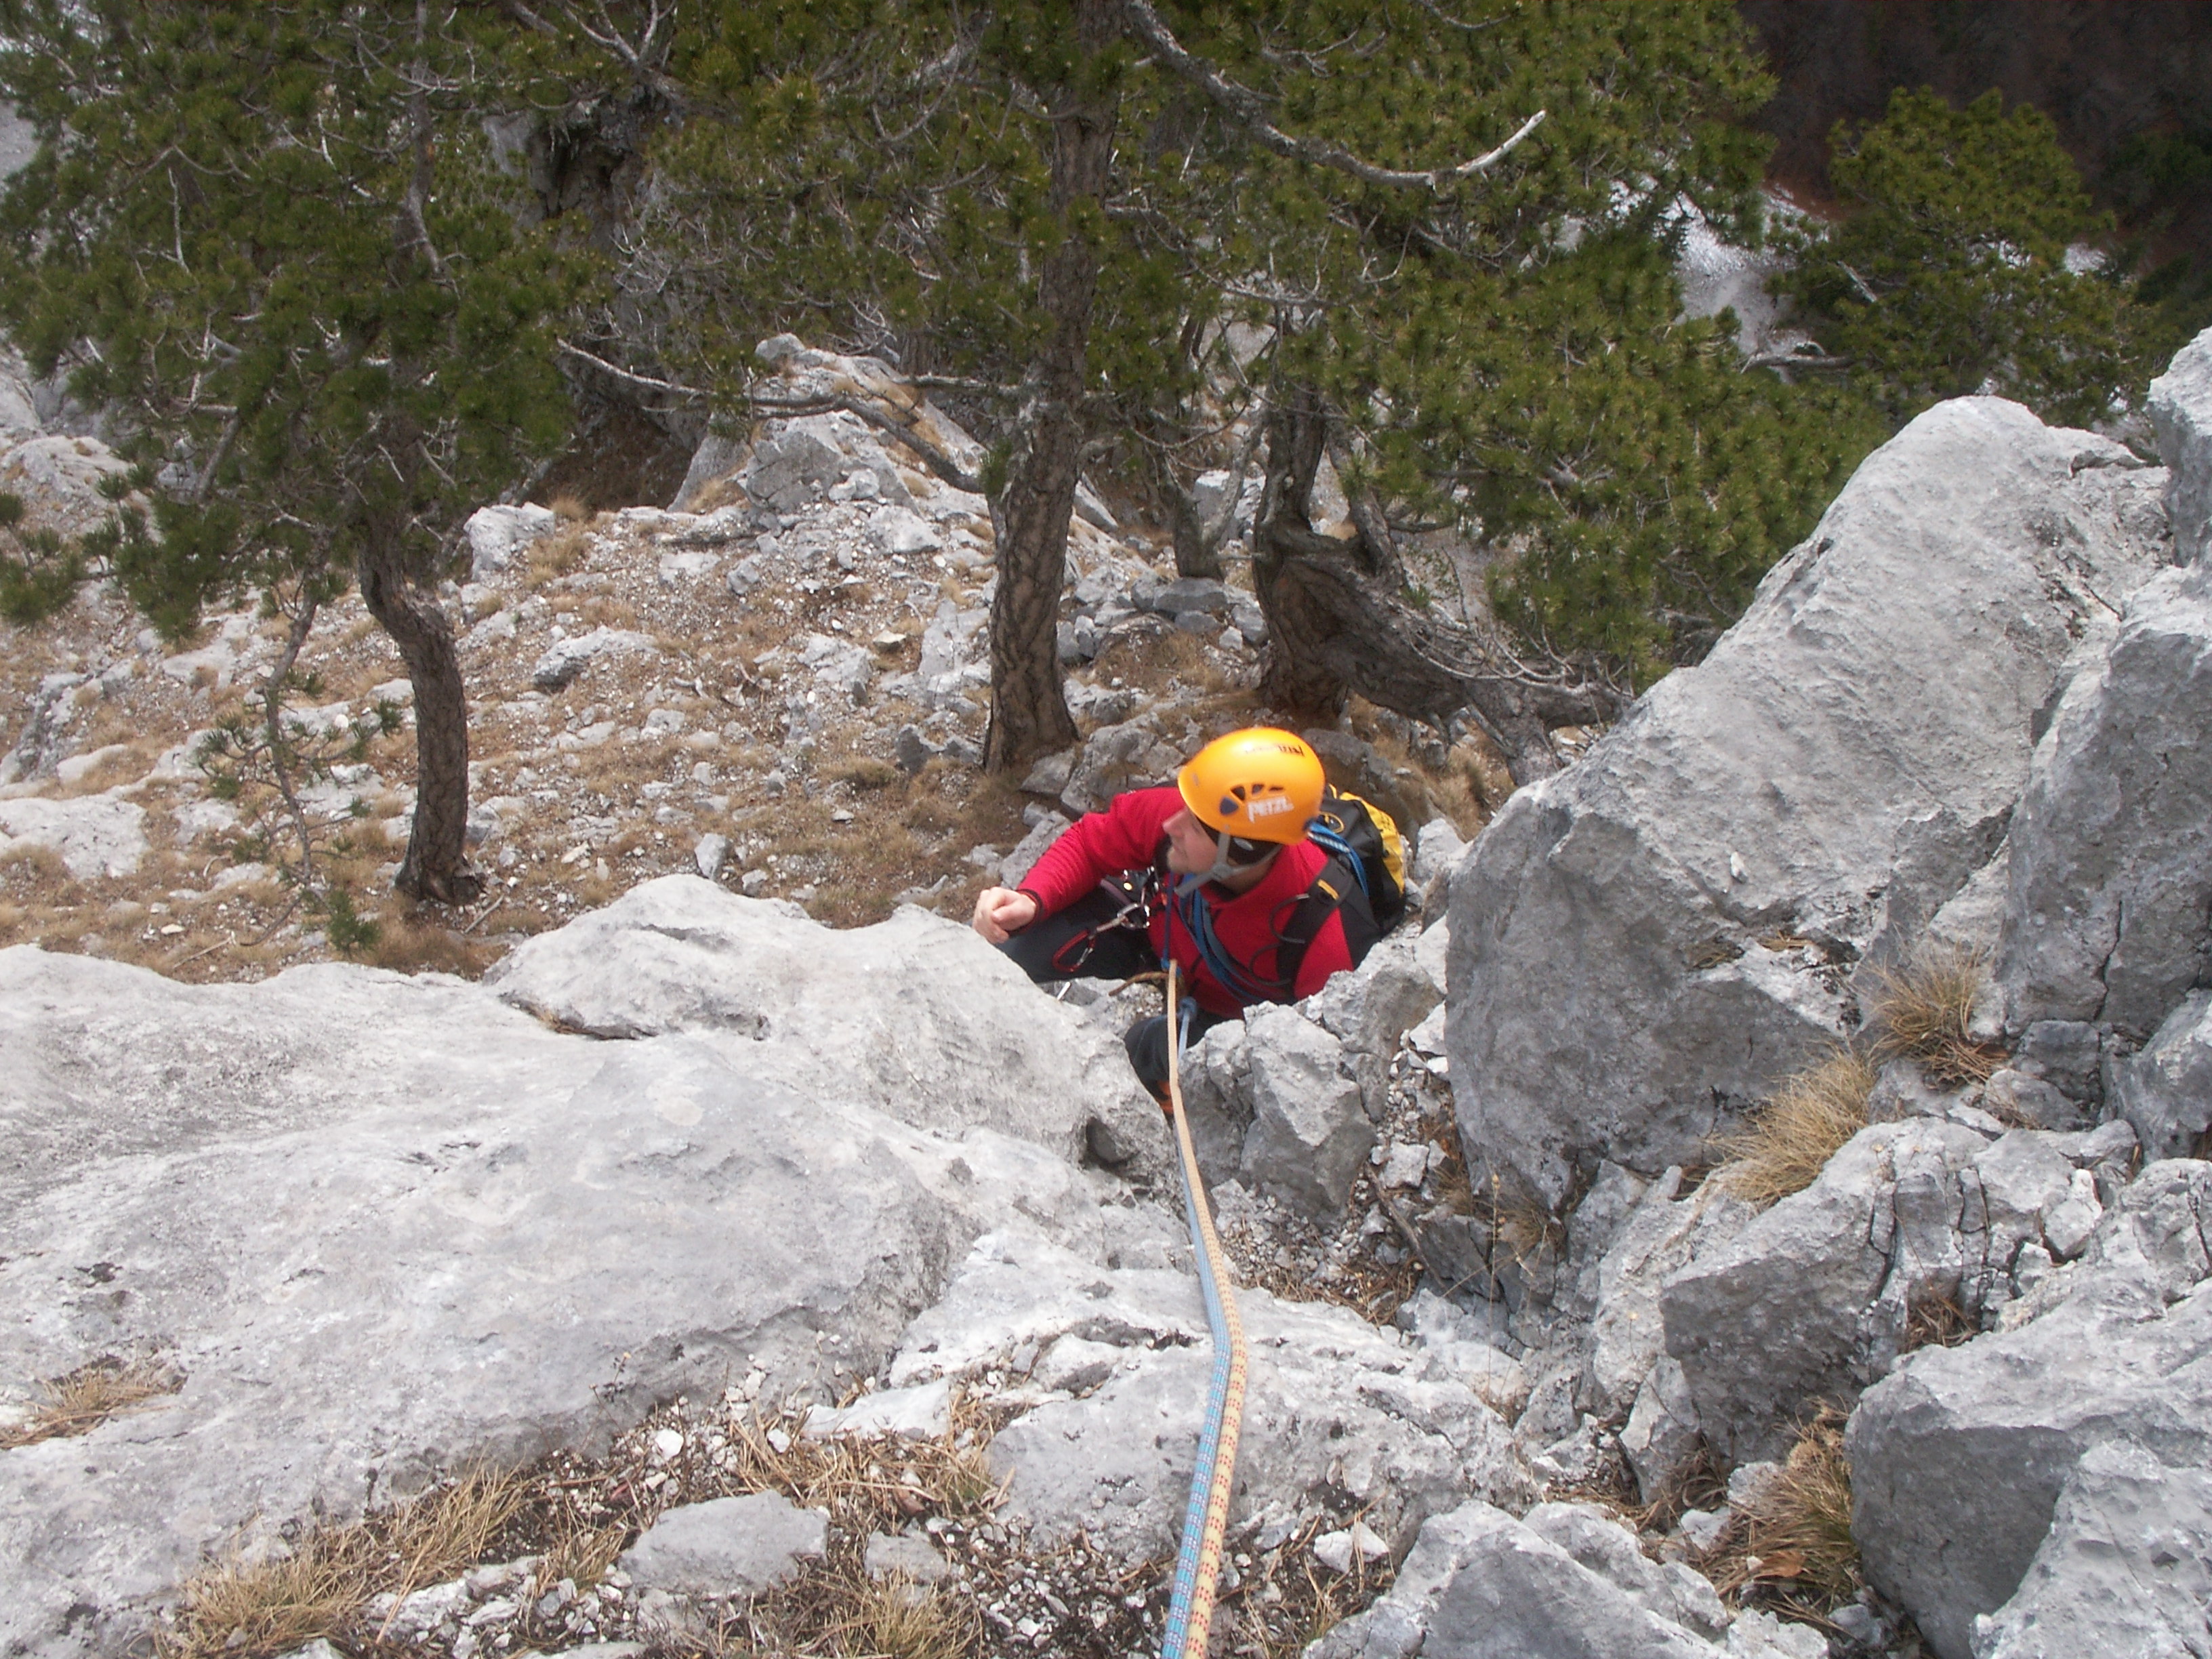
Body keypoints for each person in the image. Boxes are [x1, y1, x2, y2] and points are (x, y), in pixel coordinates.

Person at [971, 726, 1374, 1100]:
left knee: (1143, 1050)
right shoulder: (1202, 816)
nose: (1171, 824)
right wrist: (1033, 899)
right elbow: (1092, 843)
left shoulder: (1325, 937)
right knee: (1017, 947)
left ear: (1240, 853)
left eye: (1194, 826)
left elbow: (1303, 1060)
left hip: (1234, 1022)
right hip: (1161, 935)